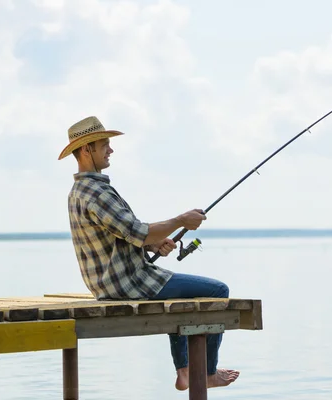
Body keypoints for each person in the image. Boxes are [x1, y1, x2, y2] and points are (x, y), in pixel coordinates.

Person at [57, 116, 240, 391]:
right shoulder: (96, 192)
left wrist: (152, 245)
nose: (111, 150)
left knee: (182, 297)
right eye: (104, 144)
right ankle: (207, 372)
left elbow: (122, 234)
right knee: (218, 291)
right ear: (86, 150)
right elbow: (137, 230)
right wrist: (181, 220)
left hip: (113, 282)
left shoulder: (80, 191)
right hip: (128, 283)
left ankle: (185, 370)